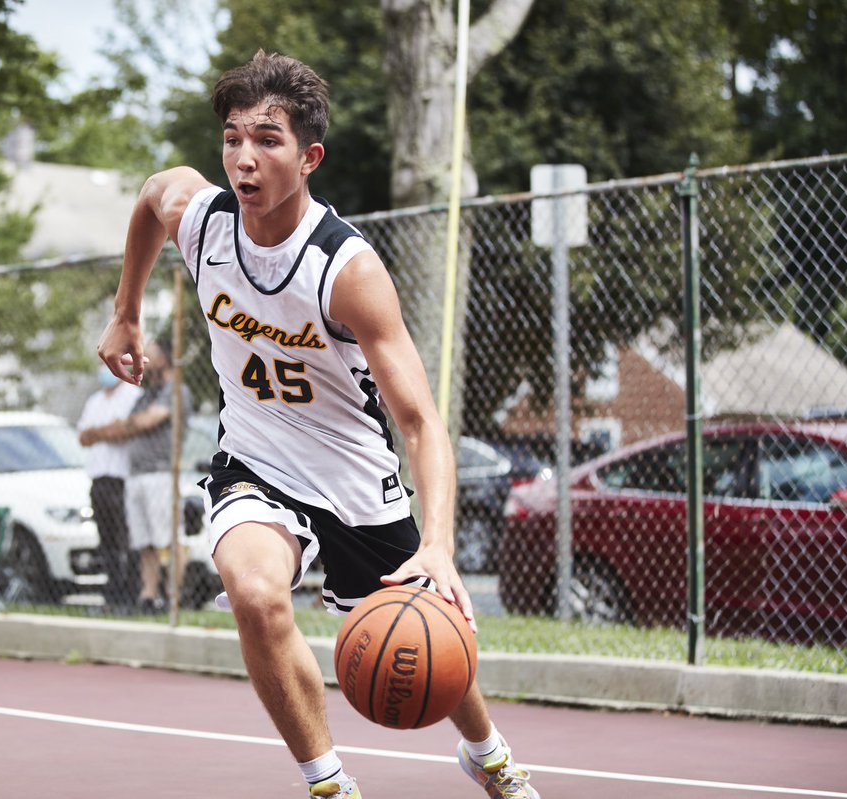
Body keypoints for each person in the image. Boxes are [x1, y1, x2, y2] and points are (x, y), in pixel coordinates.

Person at [97, 51, 538, 798]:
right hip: (256, 462)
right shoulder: (203, 223)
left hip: (354, 477)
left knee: (424, 634)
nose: (243, 156)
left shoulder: (344, 268)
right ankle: (328, 782)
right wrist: (126, 312)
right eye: (233, 137)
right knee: (256, 592)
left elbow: (422, 423)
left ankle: (485, 750)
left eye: (267, 139)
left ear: (309, 157)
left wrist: (437, 544)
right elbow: (151, 195)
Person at [120, 338, 192, 614]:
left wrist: (136, 423)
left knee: (170, 539)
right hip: (137, 474)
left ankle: (174, 598)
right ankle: (148, 597)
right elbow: (130, 423)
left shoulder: (177, 391)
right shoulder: (148, 393)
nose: (144, 360)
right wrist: (135, 423)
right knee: (145, 542)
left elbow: (149, 420)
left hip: (162, 474)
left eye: (150, 355)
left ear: (164, 358)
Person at [77, 366, 143, 612]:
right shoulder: (94, 400)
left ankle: (130, 595)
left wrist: (98, 432)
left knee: (126, 539)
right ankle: (112, 595)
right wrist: (106, 431)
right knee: (106, 542)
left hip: (122, 478)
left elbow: (123, 431)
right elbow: (83, 437)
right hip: (98, 479)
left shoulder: (133, 396)